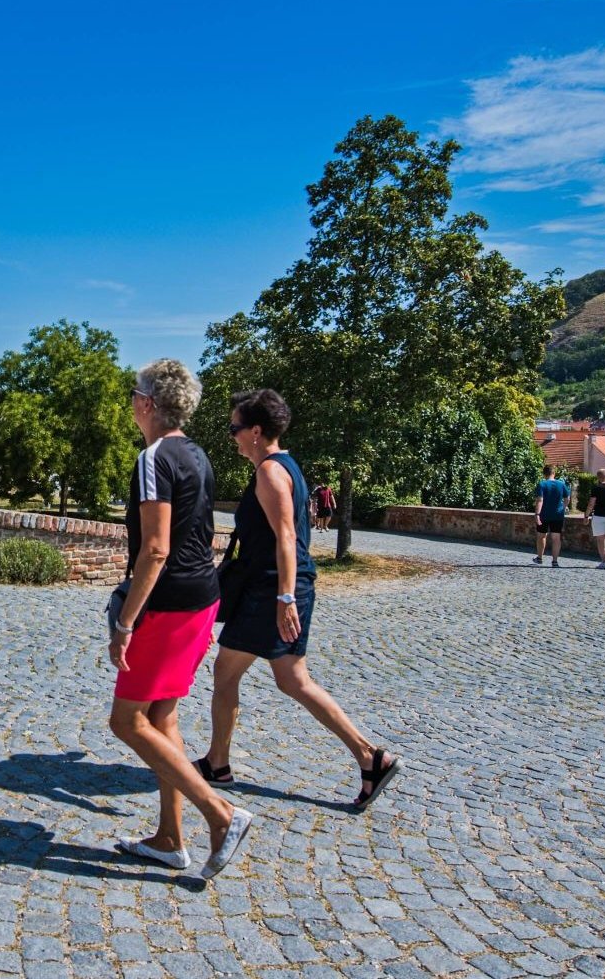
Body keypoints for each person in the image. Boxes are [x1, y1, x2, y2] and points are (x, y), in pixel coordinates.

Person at [193, 390, 401, 811]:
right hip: (277, 588)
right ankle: (369, 759)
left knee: (234, 671)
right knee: (290, 680)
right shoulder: (283, 466)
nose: (232, 436)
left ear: (255, 431)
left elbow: (287, 537)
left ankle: (220, 765)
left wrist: (285, 598)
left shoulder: (271, 472)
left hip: (274, 590)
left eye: (235, 428)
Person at [107, 359, 254, 880]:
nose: (130, 402)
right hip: (203, 598)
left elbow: (155, 548)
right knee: (163, 717)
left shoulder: (153, 458)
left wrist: (126, 621)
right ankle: (170, 839)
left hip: (168, 605)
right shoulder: (197, 453)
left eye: (133, 393)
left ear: (148, 403)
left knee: (126, 720)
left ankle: (220, 814)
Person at [532, 464, 571, 566]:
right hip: (557, 515)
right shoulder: (561, 484)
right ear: (554, 473)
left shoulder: (542, 484)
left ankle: (540, 558)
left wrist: (537, 514)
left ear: (544, 474)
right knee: (556, 537)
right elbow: (567, 498)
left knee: (541, 536)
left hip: (544, 514)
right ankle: (555, 561)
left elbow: (540, 500)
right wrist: (563, 507)